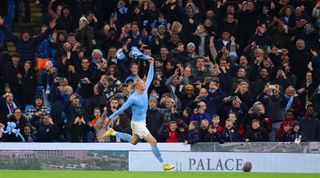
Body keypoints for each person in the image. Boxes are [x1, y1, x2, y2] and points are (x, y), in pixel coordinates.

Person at [100, 57, 175, 171]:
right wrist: (110, 118)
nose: (144, 83)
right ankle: (164, 164)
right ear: (137, 86)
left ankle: (113, 132)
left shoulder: (144, 90)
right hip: (137, 124)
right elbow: (122, 109)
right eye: (142, 82)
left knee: (133, 141)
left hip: (141, 122)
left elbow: (150, 76)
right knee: (153, 141)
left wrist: (151, 63)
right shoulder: (133, 98)